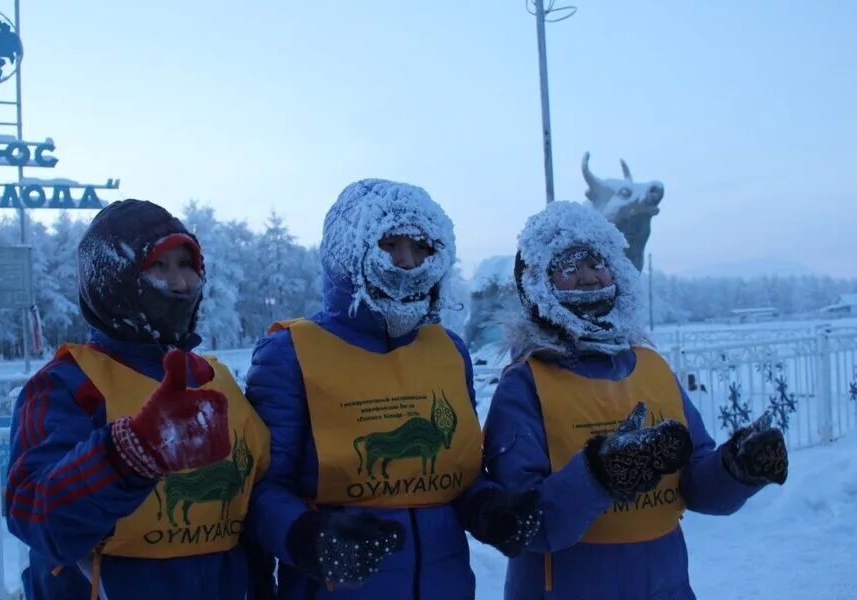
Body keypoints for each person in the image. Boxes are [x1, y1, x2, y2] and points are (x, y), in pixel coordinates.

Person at [246, 179, 541, 599]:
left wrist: (488, 507)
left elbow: (454, 475)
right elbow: (259, 490)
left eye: (420, 247)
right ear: (350, 248)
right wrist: (309, 537)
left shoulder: (448, 350)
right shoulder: (289, 354)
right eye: (389, 245)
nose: (406, 262)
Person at [483, 200, 789, 599]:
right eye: (570, 267)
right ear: (538, 282)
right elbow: (527, 525)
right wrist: (600, 474)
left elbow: (696, 486)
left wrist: (736, 469)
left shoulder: (653, 369)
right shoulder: (525, 385)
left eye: (597, 263)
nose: (589, 277)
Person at [6, 199, 273, 600]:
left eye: (186, 265)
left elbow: (254, 504)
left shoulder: (216, 380)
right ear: (113, 280)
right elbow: (34, 512)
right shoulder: (68, 383)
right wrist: (128, 454)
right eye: (159, 267)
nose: (181, 284)